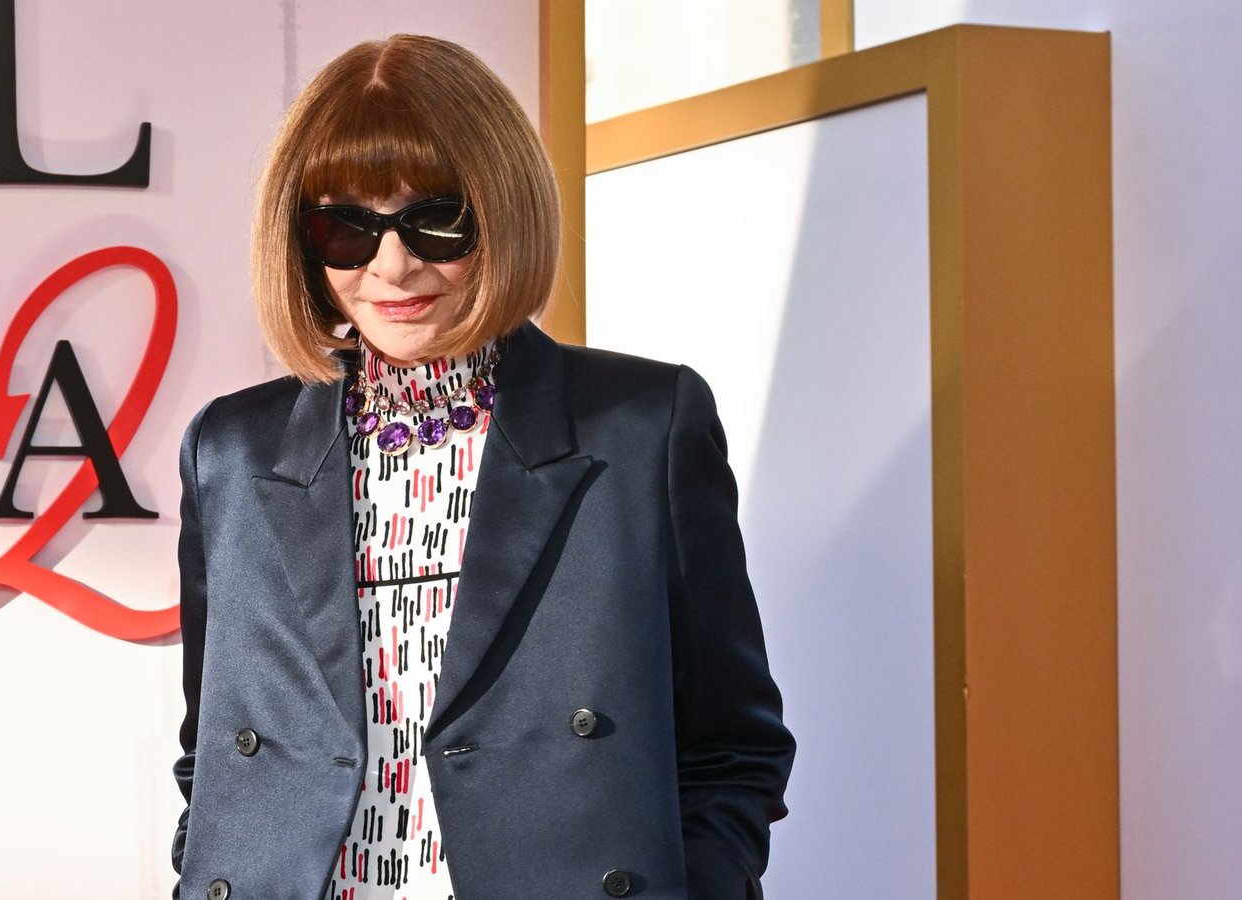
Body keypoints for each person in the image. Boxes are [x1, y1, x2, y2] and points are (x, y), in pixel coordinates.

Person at [171, 34, 794, 900]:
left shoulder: (641, 428)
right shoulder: (232, 451)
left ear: (503, 211)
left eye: (435, 219)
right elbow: (216, 752)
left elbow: (733, 745)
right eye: (344, 226)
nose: (391, 264)